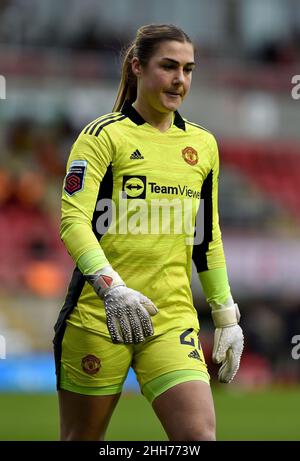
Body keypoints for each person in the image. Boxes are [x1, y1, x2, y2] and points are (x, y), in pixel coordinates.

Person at [53, 23, 244, 441]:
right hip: (100, 315)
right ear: (137, 67)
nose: (180, 79)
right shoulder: (102, 137)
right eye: (169, 66)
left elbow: (205, 237)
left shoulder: (203, 145)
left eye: (189, 69)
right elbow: (73, 222)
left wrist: (226, 316)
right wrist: (111, 289)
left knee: (199, 438)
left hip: (172, 318)